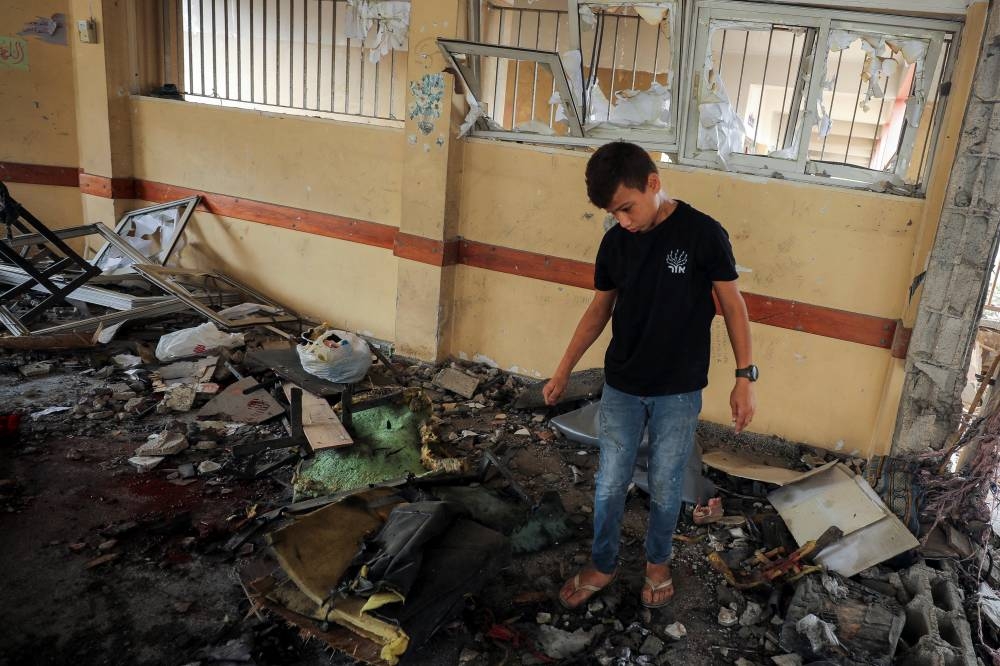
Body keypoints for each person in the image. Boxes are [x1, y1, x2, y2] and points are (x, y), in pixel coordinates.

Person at [543, 141, 757, 609]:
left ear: (653, 184)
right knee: (609, 481)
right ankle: (603, 563)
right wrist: (563, 371)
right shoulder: (616, 241)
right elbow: (599, 309)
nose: (623, 220)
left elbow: (735, 308)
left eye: (627, 207)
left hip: (678, 391)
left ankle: (657, 563)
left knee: (666, 483)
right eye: (613, 212)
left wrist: (745, 376)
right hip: (622, 385)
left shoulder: (703, 234)